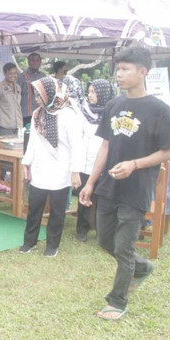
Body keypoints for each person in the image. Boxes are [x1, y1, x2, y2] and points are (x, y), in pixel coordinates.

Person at [79, 47, 170, 321]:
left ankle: (117, 301)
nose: (119, 74)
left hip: (137, 187)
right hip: (109, 185)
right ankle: (142, 268)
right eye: (118, 69)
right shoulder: (113, 105)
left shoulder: (159, 110)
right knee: (105, 239)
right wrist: (90, 182)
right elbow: (106, 146)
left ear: (142, 72)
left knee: (124, 247)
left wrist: (135, 164)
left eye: (125, 69)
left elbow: (167, 151)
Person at [20, 77, 83, 258]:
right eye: (36, 95)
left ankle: (52, 245)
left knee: (57, 210)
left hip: (61, 168)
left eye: (39, 95)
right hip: (40, 167)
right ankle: (29, 242)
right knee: (35, 207)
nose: (37, 99)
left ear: (50, 93)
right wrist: (26, 163)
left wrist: (75, 171)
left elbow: (77, 145)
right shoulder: (37, 114)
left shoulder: (69, 114)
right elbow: (32, 141)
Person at [73, 79, 115, 242]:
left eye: (93, 92)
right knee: (85, 196)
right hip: (87, 161)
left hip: (106, 162)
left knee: (103, 198)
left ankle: (102, 231)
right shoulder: (83, 112)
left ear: (102, 94)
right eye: (88, 92)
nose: (90, 96)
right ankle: (82, 230)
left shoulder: (112, 113)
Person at [0, 62, 23, 136]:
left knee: (17, 147)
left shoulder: (18, 88)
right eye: (10, 73)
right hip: (4, 126)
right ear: (4, 73)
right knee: (5, 147)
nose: (13, 76)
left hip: (17, 126)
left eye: (15, 73)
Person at [17, 52, 45, 126]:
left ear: (40, 62)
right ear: (29, 62)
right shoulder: (22, 76)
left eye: (37, 60)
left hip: (41, 113)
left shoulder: (43, 76)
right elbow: (17, 95)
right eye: (33, 60)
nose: (35, 62)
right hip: (27, 113)